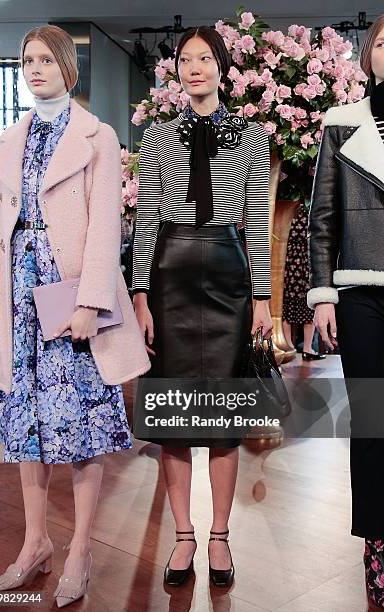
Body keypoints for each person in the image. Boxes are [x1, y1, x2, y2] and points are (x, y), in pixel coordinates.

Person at [0, 25, 149, 607]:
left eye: (47, 58)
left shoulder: (96, 137)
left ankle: (79, 550)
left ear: (68, 67)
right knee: (25, 422)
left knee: (79, 424)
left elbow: (107, 226)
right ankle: (34, 544)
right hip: (21, 295)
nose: (34, 68)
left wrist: (90, 300)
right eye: (27, 59)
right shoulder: (9, 141)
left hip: (70, 294)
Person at [132, 26, 272, 588]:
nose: (195, 67)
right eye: (186, 59)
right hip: (169, 275)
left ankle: (219, 538)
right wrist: (140, 294)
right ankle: (183, 537)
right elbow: (144, 217)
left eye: (205, 58)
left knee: (221, 418)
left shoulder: (253, 135)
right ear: (177, 70)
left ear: (221, 66)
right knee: (172, 418)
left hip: (229, 273)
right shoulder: (157, 137)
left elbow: (258, 221)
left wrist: (263, 297)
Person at [307, 14, 384, 609]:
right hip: (362, 295)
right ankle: (379, 545)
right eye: (383, 43)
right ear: (367, 57)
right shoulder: (340, 125)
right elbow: (323, 221)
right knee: (375, 423)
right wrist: (324, 296)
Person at [283, 203, 325, 360]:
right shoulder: (310, 216)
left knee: (288, 309)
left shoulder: (288, 215)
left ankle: (289, 347)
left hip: (290, 265)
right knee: (306, 309)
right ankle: (306, 348)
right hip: (305, 266)